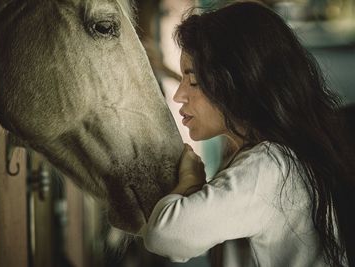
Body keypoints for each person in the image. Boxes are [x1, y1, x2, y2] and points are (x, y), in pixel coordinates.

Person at [140, 1, 355, 266]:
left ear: (237, 83)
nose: (179, 94)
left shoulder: (269, 167)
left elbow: (164, 237)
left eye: (193, 81)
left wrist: (189, 181)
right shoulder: (273, 156)